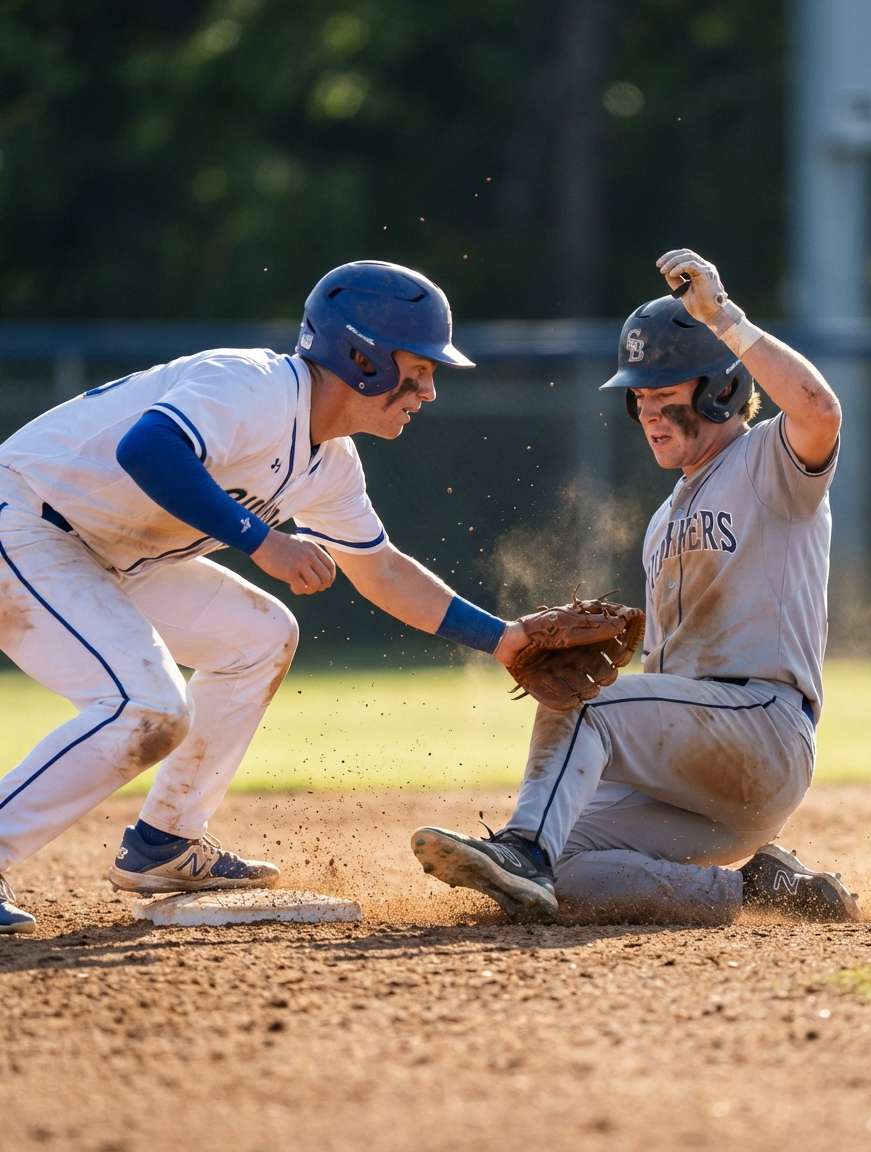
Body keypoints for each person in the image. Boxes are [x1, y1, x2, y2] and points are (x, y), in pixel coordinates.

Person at [0, 260, 530, 934]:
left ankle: (164, 844)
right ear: (361, 357)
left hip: (110, 551)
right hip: (25, 523)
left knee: (260, 636)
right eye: (418, 367)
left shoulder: (329, 464)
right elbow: (150, 448)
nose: (427, 389)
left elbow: (384, 572)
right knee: (147, 706)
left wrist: (503, 638)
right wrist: (263, 542)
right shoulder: (252, 386)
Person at [412, 248, 860, 925]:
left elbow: (821, 411)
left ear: (720, 388)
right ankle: (764, 893)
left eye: (664, 391)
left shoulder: (769, 463)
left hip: (764, 731)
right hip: (700, 780)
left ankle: (521, 848)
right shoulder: (663, 520)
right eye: (640, 394)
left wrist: (723, 316)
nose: (647, 409)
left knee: (584, 701)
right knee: (568, 868)